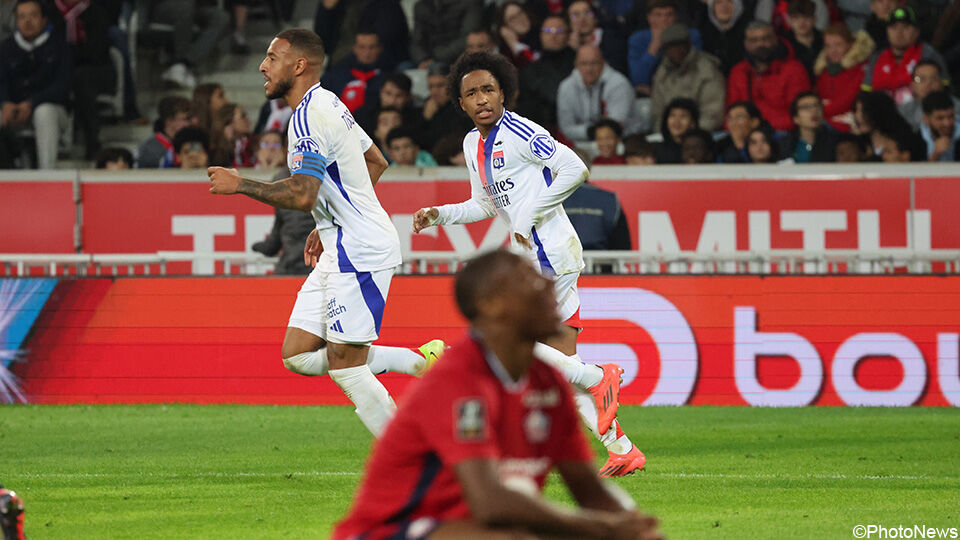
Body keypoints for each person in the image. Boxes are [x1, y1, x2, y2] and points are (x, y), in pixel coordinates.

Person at [413, 51, 645, 476]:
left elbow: (575, 169)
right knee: (559, 369)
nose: (482, 98)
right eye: (472, 93)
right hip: (538, 254)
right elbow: (484, 203)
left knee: (500, 338)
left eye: (488, 89)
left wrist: (529, 214)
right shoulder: (472, 144)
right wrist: (440, 214)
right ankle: (622, 449)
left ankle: (600, 376)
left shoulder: (520, 130)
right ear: (460, 104)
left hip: (548, 253)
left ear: (502, 92)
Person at [208, 28, 444, 437]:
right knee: (298, 356)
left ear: (298, 65)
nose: (263, 66)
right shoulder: (329, 101)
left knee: (346, 368)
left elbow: (302, 193)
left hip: (359, 251)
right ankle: (420, 362)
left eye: (272, 57)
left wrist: (240, 184)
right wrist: (330, 219)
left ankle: (412, 457)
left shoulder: (306, 118)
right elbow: (376, 161)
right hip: (342, 243)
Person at [332, 250, 662, 540]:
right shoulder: (457, 380)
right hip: (392, 530)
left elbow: (589, 489)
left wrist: (634, 525)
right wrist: (604, 530)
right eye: (529, 281)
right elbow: (491, 504)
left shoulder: (548, 382)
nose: (547, 286)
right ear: (490, 305)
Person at [0, 0, 73, 170]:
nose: (27, 21)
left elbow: (63, 87)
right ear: (16, 22)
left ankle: (47, 174)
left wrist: (33, 103)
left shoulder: (61, 47)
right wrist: (4, 103)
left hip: (53, 110)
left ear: (44, 20)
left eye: (33, 16)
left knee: (44, 112)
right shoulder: (5, 48)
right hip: (13, 109)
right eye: (22, 17)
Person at [52, 0, 114, 160]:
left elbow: (96, 51)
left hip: (95, 70)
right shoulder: (49, 11)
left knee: (81, 78)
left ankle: (92, 141)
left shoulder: (96, 12)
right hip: (59, 68)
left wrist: (66, 55)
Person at [726, 20, 811, 131]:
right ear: (746, 44)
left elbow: (799, 113)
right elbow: (732, 112)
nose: (760, 44)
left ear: (775, 39)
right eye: (753, 40)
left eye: (765, 39)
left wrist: (763, 129)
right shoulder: (738, 72)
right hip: (746, 133)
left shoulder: (793, 69)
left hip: (784, 133)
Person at [862, 6, 949, 105]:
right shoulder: (877, 57)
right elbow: (865, 94)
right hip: (881, 115)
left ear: (917, 31)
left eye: (906, 27)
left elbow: (944, 92)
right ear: (887, 32)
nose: (899, 33)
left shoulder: (929, 55)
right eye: (893, 27)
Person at [557, 44, 644, 142]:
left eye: (594, 63)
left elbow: (613, 129)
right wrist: (590, 131)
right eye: (584, 64)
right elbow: (567, 128)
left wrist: (588, 131)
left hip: (625, 140)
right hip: (583, 142)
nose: (589, 69)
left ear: (603, 63)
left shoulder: (619, 84)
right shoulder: (566, 87)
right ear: (576, 65)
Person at [650, 23, 725, 132]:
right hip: (669, 135)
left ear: (688, 45)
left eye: (679, 45)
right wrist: (667, 134)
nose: (675, 50)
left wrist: (690, 134)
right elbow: (657, 113)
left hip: (701, 135)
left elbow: (713, 113)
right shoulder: (662, 72)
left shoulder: (707, 69)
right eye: (670, 47)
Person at [146, 0, 229, 89]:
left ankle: (185, 63)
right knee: (185, 5)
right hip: (165, 6)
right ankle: (179, 63)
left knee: (221, 17)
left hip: (196, 7)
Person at [627, 0, 703, 92]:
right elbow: (638, 80)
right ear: (649, 18)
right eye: (658, 15)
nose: (664, 19)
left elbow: (696, 72)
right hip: (649, 95)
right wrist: (654, 46)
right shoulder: (638, 39)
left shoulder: (691, 36)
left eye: (669, 15)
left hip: (685, 90)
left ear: (676, 17)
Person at [252, 169, 316, 276]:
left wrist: (257, 247)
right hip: (318, 269)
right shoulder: (326, 177)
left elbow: (272, 245)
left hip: (289, 269)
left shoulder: (280, 178)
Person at [517, 14, 576, 129]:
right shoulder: (529, 71)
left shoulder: (579, 65)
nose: (553, 35)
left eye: (558, 31)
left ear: (568, 35)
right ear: (541, 35)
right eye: (548, 31)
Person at [815, 24, 874, 132]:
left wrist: (817, 111)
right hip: (827, 121)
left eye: (838, 45)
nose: (833, 50)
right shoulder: (824, 70)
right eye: (828, 46)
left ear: (850, 45)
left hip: (848, 128)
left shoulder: (862, 68)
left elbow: (847, 101)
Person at [320, 30, 384, 114]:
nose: (367, 52)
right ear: (354, 48)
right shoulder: (335, 76)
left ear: (380, 49)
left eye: (372, 47)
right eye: (362, 47)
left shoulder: (388, 77)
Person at [410, 0, 483, 68]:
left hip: (458, 56)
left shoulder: (469, 2)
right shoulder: (421, 6)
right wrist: (422, 59)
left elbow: (468, 37)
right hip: (430, 59)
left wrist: (436, 58)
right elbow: (417, 40)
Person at [563, 181, 632, 251]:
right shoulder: (609, 200)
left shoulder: (554, 199)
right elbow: (623, 247)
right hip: (601, 260)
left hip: (561, 260)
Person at [421, 62, 474, 152]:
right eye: (431, 87)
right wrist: (425, 119)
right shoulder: (426, 106)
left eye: (440, 85)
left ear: (451, 85)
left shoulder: (463, 109)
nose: (434, 92)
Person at [566, 0, 629, 75]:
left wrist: (580, 50)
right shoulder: (565, 45)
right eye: (575, 15)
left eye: (588, 13)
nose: (582, 18)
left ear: (596, 18)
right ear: (569, 22)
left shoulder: (613, 38)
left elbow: (616, 71)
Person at [897, 60, 960, 130]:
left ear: (941, 83)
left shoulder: (957, 107)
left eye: (934, 78)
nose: (928, 84)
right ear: (912, 86)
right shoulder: (903, 111)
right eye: (921, 79)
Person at [779, 91, 839, 162]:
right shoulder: (786, 144)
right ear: (796, 118)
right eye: (806, 107)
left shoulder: (836, 141)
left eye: (817, 105)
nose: (814, 110)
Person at [136, 96, 193, 169]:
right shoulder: (149, 148)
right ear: (169, 121)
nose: (189, 124)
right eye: (185, 119)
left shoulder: (188, 143)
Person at [701, 0, 750, 73]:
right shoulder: (703, 33)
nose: (724, 6)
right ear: (712, 7)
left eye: (729, 1)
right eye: (719, 2)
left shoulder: (749, 33)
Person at [783, 0, 823, 81]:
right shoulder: (783, 44)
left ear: (814, 19)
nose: (802, 22)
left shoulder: (825, 39)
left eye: (806, 17)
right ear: (789, 20)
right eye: (796, 18)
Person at [653, 97, 699, 164]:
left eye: (683, 116)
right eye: (672, 115)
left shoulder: (698, 150)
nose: (677, 121)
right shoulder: (656, 149)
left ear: (692, 123)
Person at [495, 1, 540, 68]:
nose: (520, 19)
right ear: (505, 26)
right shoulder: (505, 52)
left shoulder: (542, 32)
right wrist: (514, 44)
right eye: (512, 18)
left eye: (520, 13)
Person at [920, 89, 960, 162]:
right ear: (926, 119)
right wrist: (935, 155)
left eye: (951, 116)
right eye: (940, 118)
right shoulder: (917, 140)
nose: (947, 123)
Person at [210, 103, 254, 168]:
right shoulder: (216, 152)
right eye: (243, 116)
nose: (248, 120)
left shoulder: (249, 145)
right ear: (229, 122)